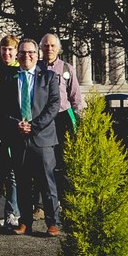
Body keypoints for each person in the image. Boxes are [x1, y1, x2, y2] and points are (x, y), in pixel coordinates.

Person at [3, 38, 62, 237]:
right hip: (19, 139)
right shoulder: (9, 78)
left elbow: (53, 106)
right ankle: (25, 222)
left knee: (47, 183)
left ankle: (53, 223)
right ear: (17, 55)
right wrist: (15, 124)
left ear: (37, 55)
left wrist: (33, 126)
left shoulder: (49, 77)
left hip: (42, 139)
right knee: (22, 183)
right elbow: (1, 108)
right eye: (22, 52)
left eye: (31, 53)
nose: (26, 56)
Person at [38, 33, 84, 202]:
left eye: (52, 46)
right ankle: (43, 203)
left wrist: (80, 122)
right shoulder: (36, 68)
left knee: (63, 161)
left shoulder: (66, 69)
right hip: (42, 119)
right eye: (45, 45)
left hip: (62, 118)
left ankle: (64, 199)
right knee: (43, 161)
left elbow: (76, 98)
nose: (49, 49)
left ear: (58, 48)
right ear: (41, 48)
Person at [0, 34, 22, 229]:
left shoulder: (19, 72)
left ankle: (13, 212)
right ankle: (0, 210)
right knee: (1, 173)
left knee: (13, 173)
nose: (7, 52)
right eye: (4, 49)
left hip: (14, 129)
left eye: (10, 49)